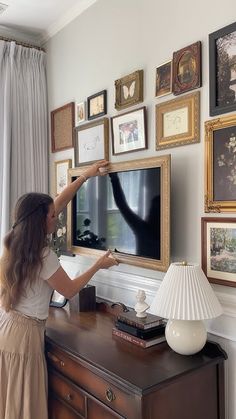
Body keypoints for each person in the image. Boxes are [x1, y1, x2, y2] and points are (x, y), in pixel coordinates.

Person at [0, 160, 118, 419]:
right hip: (25, 335)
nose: (57, 217)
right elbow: (71, 290)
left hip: (7, 327)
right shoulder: (43, 256)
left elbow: (56, 203)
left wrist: (84, 177)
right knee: (25, 406)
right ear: (40, 221)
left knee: (11, 401)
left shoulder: (14, 241)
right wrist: (98, 264)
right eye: (52, 216)